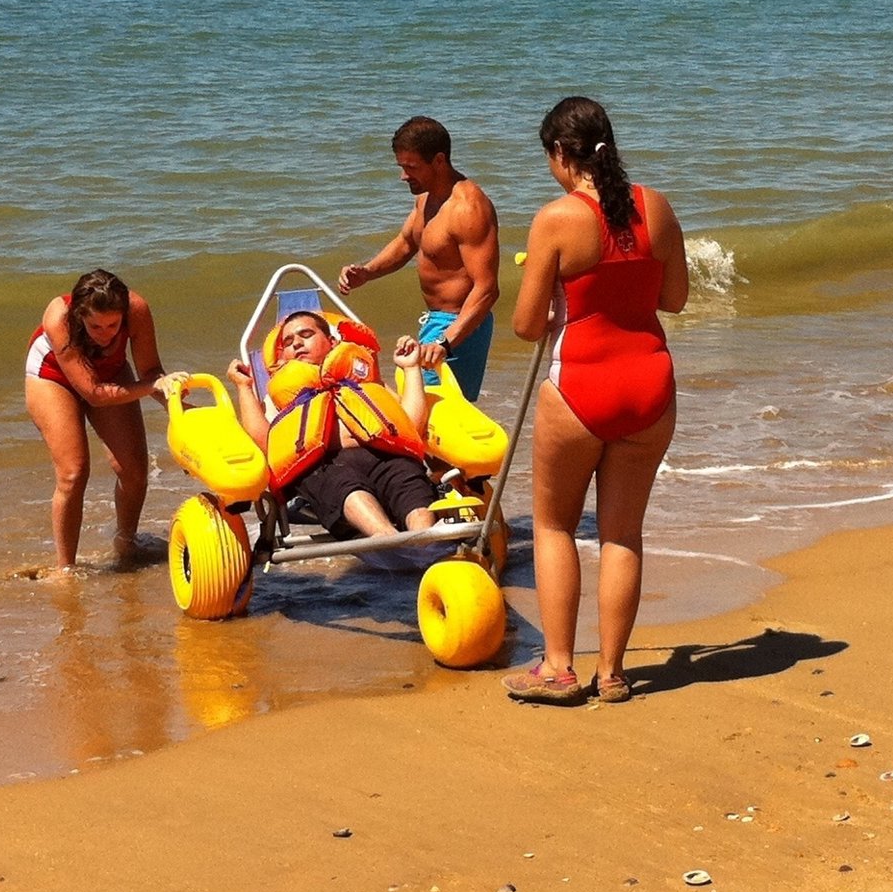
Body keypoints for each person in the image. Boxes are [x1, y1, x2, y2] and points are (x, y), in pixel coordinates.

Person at [501, 96, 689, 706]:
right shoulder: (656, 207)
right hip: (650, 384)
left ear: (561, 152)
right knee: (622, 533)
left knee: (554, 525)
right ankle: (612, 673)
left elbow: (527, 326)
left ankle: (559, 668)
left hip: (582, 385)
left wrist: (556, 288)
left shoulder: (557, 218)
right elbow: (674, 299)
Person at [25, 269, 187, 570]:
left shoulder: (136, 309)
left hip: (109, 371)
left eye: (113, 325)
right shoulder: (59, 317)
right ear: (80, 315)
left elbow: (150, 372)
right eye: (95, 326)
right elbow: (95, 394)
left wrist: (178, 406)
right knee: (73, 473)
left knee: (134, 471)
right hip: (52, 377)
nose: (106, 333)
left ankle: (126, 544)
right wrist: (152, 386)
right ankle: (66, 569)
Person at [225, 311, 438, 539]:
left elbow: (411, 425)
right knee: (346, 488)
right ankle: (386, 538)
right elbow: (266, 444)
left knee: (411, 488)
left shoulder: (366, 382)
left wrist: (411, 368)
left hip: (386, 460)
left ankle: (426, 542)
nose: (297, 343)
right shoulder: (281, 397)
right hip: (325, 468)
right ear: (284, 356)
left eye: (306, 334)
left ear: (333, 342)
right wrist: (244, 387)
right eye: (288, 342)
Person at [338, 116, 499, 402]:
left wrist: (446, 342)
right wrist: (367, 272)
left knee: (432, 411)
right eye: (401, 167)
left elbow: (486, 289)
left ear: (439, 160)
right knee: (424, 409)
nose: (403, 176)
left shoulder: (468, 209)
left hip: (459, 326)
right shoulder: (426, 198)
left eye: (411, 167)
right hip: (438, 323)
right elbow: (406, 243)